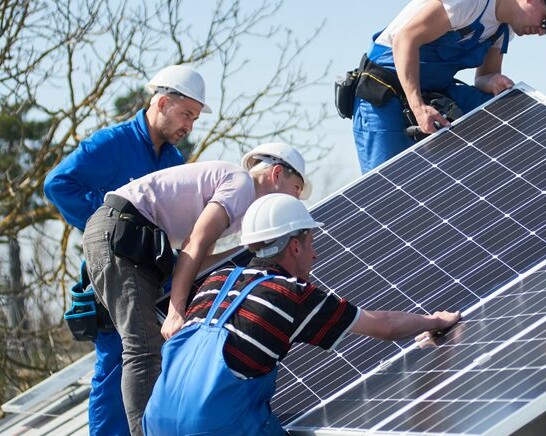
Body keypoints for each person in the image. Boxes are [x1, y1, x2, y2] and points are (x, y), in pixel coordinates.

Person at [142, 193, 461, 435]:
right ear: (294, 246)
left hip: (155, 420)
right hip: (214, 424)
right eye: (311, 241)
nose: (316, 253)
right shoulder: (291, 294)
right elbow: (385, 326)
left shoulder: (216, 280)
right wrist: (434, 321)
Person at [82, 142, 313, 436]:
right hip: (123, 234)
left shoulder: (237, 205)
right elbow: (195, 244)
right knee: (143, 348)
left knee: (146, 345)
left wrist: (244, 256)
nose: (295, 200)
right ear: (277, 173)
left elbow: (200, 260)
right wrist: (177, 309)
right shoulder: (241, 185)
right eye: (295, 189)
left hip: (129, 237)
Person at [43, 64, 208, 436]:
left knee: (153, 358)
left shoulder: (173, 161)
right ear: (163, 102)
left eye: (195, 119)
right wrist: (107, 226)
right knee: (114, 361)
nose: (189, 127)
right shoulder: (111, 143)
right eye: (186, 115)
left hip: (154, 275)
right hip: (114, 274)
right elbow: (58, 184)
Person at [352, 0, 546, 173]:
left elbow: (483, 77)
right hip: (386, 89)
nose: (541, 32)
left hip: (434, 89)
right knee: (386, 183)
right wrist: (418, 107)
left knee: (510, 112)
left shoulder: (504, 29)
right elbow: (406, 38)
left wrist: (493, 81)